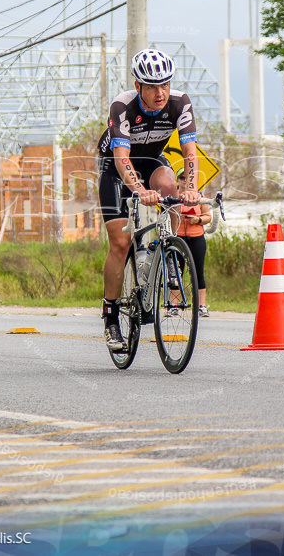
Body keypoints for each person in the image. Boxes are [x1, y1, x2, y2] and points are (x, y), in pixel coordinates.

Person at [96, 48, 200, 351]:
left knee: (171, 187)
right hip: (116, 168)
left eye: (165, 84)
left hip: (152, 160)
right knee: (120, 243)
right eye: (153, 86)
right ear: (138, 85)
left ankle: (168, 253)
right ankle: (111, 316)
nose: (160, 92)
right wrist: (139, 191)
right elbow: (121, 159)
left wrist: (190, 187)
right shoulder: (123, 106)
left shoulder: (180, 103)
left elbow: (190, 153)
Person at [175, 168, 212, 317]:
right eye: (182, 178)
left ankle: (201, 305)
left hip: (196, 236)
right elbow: (163, 216)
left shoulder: (200, 196)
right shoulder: (172, 196)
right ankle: (174, 305)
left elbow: (208, 216)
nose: (185, 180)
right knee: (176, 273)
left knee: (198, 272)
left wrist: (197, 220)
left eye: (188, 177)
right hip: (177, 236)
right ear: (177, 180)